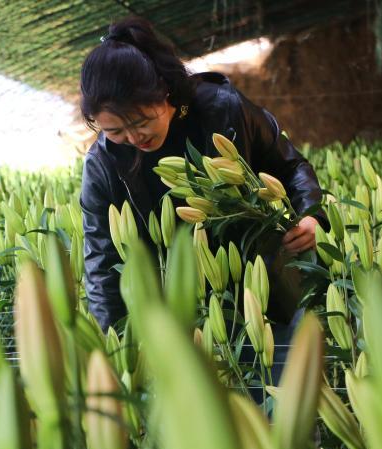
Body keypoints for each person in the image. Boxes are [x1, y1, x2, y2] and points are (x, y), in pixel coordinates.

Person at [77, 16, 329, 396]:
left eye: (141, 121)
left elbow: (290, 165)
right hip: (181, 317)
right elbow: (102, 264)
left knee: (285, 414)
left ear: (163, 92)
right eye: (114, 131)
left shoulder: (223, 110)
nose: (133, 137)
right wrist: (122, 347)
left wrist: (310, 213)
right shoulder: (103, 166)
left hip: (265, 294)